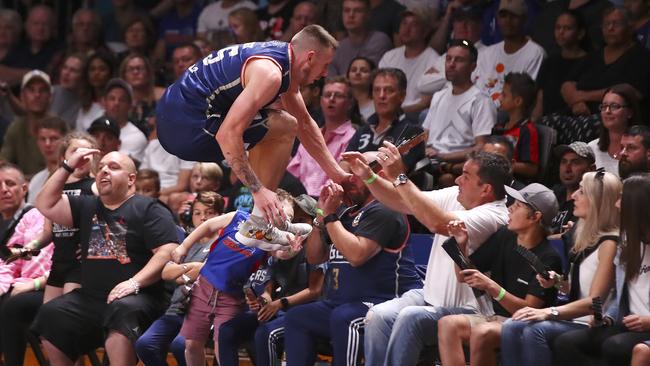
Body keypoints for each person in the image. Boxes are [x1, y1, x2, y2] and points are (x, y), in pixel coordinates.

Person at [156, 25, 348, 247]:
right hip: (186, 127)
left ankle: (259, 224)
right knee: (282, 126)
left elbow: (306, 124)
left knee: (285, 123)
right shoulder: (271, 74)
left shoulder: (282, 59)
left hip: (174, 114)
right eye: (325, 66)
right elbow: (227, 134)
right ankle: (258, 224)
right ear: (310, 57)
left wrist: (338, 175)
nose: (325, 73)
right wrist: (258, 190)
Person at [339, 149, 510, 366]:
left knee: (411, 317)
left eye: (466, 176)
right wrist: (368, 176)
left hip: (470, 310)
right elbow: (401, 201)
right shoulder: (459, 194)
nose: (458, 179)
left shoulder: (493, 215)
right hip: (430, 296)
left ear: (486, 189)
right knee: (378, 316)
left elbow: (437, 223)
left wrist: (400, 177)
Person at [32, 150, 179, 366]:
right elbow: (44, 203)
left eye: (114, 167)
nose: (104, 171)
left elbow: (168, 251)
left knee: (123, 311)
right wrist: (67, 166)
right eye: (101, 167)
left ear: (131, 179)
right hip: (92, 298)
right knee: (51, 314)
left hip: (141, 297)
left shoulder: (149, 208)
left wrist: (134, 282)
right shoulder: (86, 205)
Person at [284, 153, 422, 366]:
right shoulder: (344, 214)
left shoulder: (386, 209)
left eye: (353, 174)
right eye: (343, 175)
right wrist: (321, 216)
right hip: (340, 303)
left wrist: (330, 217)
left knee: (344, 318)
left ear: (379, 174)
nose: (346, 181)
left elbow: (357, 256)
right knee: (297, 317)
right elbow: (314, 256)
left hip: (379, 302)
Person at [500, 171, 621, 366]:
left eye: (582, 192)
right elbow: (576, 287)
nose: (573, 195)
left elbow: (595, 301)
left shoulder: (610, 243)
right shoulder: (584, 236)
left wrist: (549, 312)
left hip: (593, 324)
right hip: (575, 319)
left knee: (534, 329)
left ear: (598, 201)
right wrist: (556, 282)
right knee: (511, 326)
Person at [170, 189, 301, 366]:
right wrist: (184, 247)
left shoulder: (273, 241)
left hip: (231, 297)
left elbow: (280, 254)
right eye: (281, 214)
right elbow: (208, 226)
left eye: (290, 218)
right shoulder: (239, 217)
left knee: (221, 345)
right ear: (267, 208)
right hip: (203, 287)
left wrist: (292, 250)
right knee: (192, 344)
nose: (285, 221)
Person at [437, 183, 562, 366]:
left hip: (523, 325)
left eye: (517, 206)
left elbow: (528, 311)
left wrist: (493, 288)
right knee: (448, 325)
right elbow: (463, 276)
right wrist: (461, 244)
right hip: (492, 316)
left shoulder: (548, 258)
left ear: (535, 217)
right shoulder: (505, 236)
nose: (509, 209)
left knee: (483, 333)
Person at [552, 173, 650, 365]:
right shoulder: (627, 244)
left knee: (615, 346)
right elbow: (621, 298)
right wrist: (608, 319)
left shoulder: (613, 243)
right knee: (566, 342)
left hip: (646, 326)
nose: (617, 204)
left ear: (637, 207)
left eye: (623, 199)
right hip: (628, 324)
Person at [135, 191, 223, 366]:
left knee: (180, 345)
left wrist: (183, 272)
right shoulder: (188, 241)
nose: (203, 218)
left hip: (205, 311)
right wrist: (191, 269)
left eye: (209, 213)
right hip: (176, 309)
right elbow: (166, 273)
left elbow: (210, 273)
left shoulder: (222, 242)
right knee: (145, 344)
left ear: (220, 215)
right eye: (198, 213)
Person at [421, 40, 496, 182]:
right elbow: (425, 135)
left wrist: (442, 156)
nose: (451, 64)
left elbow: (482, 146)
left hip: (456, 165)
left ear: (472, 67)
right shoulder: (438, 96)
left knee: (446, 178)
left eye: (459, 60)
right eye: (448, 59)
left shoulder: (481, 100)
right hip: (429, 160)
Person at [345, 68, 426, 173]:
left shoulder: (413, 133)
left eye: (388, 90)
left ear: (402, 95)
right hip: (356, 185)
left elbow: (399, 173)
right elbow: (345, 162)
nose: (381, 96)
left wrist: (366, 171)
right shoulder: (363, 130)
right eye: (377, 90)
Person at [287, 76, 356, 197]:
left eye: (338, 96)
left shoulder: (352, 136)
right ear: (321, 100)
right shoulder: (309, 133)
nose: (332, 99)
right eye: (327, 95)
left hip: (327, 200)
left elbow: (341, 179)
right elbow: (293, 173)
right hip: (299, 200)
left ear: (350, 103)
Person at [474, 0, 545, 107]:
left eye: (514, 16)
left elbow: (524, 98)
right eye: (503, 16)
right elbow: (477, 90)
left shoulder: (535, 53)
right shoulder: (487, 53)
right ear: (497, 19)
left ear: (524, 19)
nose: (508, 20)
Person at [378, 8, 439, 116]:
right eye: (404, 23)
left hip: (414, 116)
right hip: (387, 112)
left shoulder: (434, 60)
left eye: (414, 24)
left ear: (425, 32)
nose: (406, 29)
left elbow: (425, 103)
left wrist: (397, 113)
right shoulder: (389, 56)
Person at [533, 10, 588, 119]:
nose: (561, 32)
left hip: (575, 123)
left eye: (567, 28)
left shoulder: (591, 62)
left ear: (580, 33)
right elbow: (540, 99)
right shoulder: (550, 61)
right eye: (558, 27)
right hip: (547, 123)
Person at [0, 70, 53, 178]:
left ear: (50, 97)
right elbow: (4, 163)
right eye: (31, 90)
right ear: (22, 96)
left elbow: (63, 168)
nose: (37, 95)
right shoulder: (16, 128)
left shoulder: (59, 126)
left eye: (42, 90)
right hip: (21, 189)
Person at [492, 72, 540, 180]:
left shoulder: (527, 130)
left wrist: (502, 163)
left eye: (504, 95)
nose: (499, 98)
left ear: (517, 101)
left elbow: (531, 169)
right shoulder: (499, 126)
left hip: (511, 183)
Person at [587, 84, 642, 175]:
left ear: (630, 112)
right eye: (604, 106)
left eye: (614, 106)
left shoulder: (642, 149)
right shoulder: (591, 149)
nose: (607, 111)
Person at [327, 0, 393, 77]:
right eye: (346, 10)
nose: (351, 15)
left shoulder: (379, 41)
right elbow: (331, 81)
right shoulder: (338, 48)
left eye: (358, 11)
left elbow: (368, 77)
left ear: (368, 14)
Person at [550, 141, 595, 235]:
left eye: (575, 163)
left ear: (592, 169)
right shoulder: (553, 193)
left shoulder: (591, 203)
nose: (567, 169)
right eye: (564, 162)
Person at [27, 117, 69, 203]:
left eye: (53, 138)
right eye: (42, 139)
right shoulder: (36, 180)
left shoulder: (73, 176)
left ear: (65, 141)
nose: (47, 144)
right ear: (38, 143)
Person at [346, 56, 376, 122]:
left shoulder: (378, 104)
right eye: (353, 70)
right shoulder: (342, 103)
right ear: (348, 76)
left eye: (364, 71)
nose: (358, 73)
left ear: (373, 77)